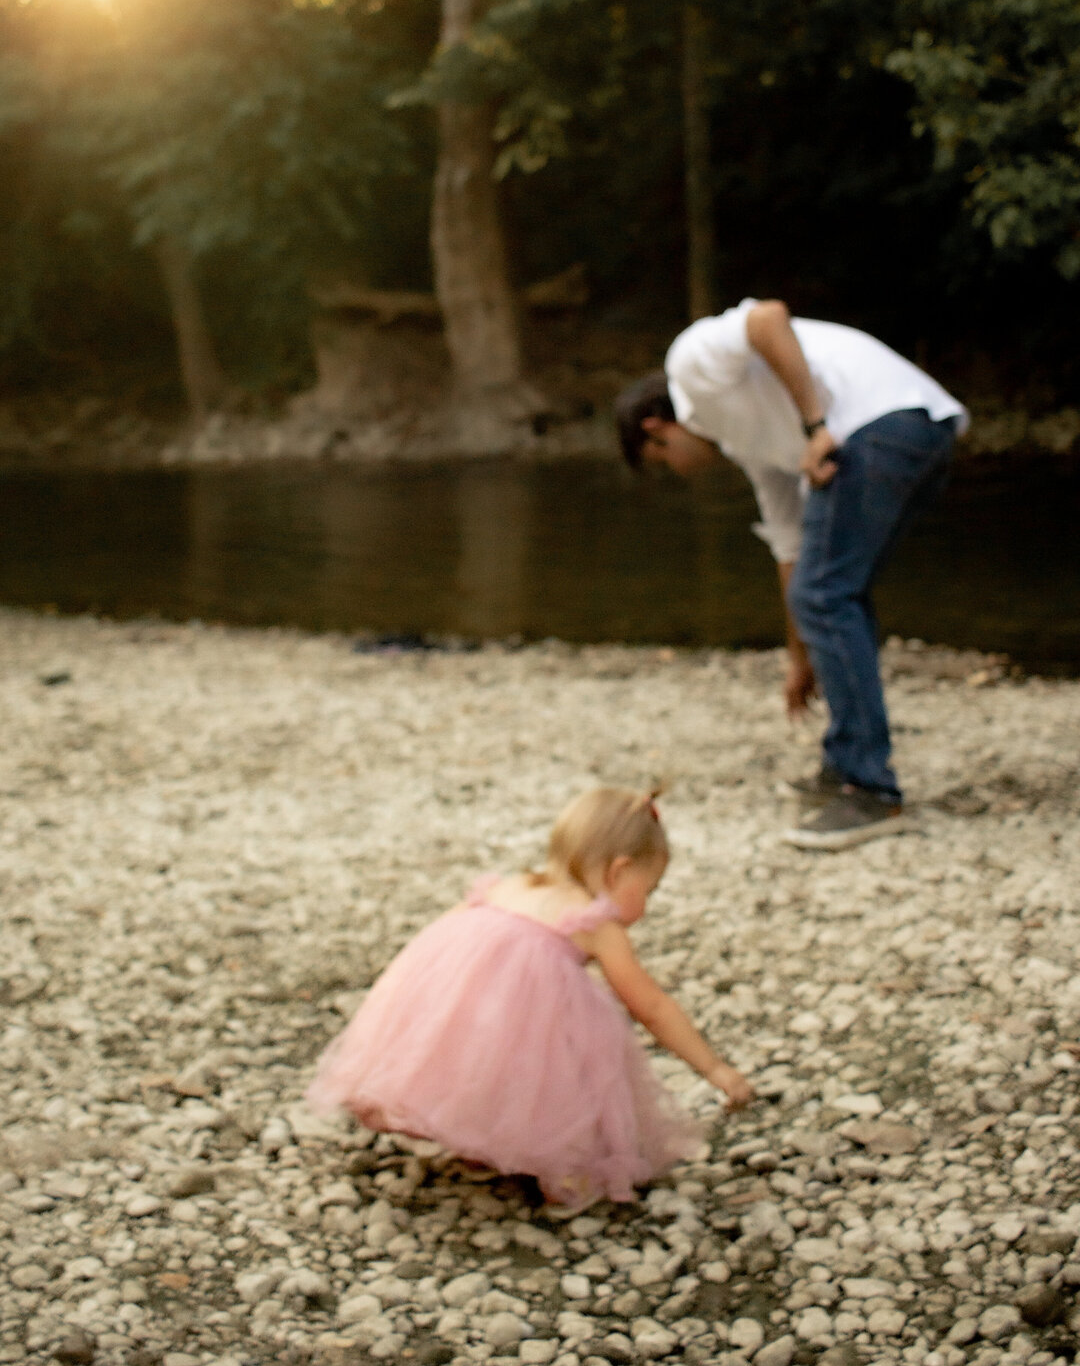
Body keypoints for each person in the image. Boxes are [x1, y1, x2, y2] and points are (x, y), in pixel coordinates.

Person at [614, 298, 967, 851]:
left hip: (880, 424)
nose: (678, 473)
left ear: (658, 428)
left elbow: (766, 318)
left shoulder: (690, 369)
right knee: (834, 591)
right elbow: (792, 551)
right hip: (922, 431)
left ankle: (869, 788)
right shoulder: (752, 443)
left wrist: (817, 426)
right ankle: (845, 766)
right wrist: (799, 659)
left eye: (664, 461)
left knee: (828, 594)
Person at [307, 787, 753, 1212]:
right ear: (618, 871)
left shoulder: (508, 887)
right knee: (576, 1053)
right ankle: (566, 1164)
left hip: (460, 1015)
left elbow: (427, 955)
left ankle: (482, 1133)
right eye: (648, 890)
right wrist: (714, 1068)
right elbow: (650, 1007)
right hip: (514, 1015)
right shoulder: (596, 923)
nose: (647, 906)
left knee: (492, 1051)